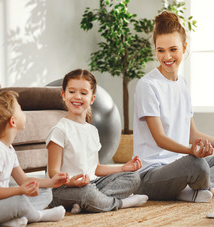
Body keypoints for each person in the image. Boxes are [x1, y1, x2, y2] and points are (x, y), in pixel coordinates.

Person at [133, 11, 214, 203]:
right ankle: (207, 190)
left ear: (184, 48)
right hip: (151, 176)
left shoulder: (183, 84)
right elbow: (160, 139)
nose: (167, 56)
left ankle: (193, 189)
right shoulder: (148, 85)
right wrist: (191, 152)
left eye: (173, 49)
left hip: (180, 166)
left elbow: (192, 135)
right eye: (161, 50)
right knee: (196, 165)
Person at [46, 69, 148, 213]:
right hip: (62, 191)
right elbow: (53, 173)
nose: (77, 97)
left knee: (133, 178)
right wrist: (71, 181)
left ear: (92, 98)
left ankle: (88, 204)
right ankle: (121, 203)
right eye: (72, 91)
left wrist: (123, 168)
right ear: (63, 95)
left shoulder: (92, 130)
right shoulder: (59, 130)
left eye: (83, 93)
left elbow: (96, 168)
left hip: (92, 184)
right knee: (86, 193)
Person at [0, 91, 69, 227]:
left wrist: (51, 182)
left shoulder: (8, 148)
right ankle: (39, 216)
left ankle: (12, 218)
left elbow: (24, 180)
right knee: (19, 201)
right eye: (21, 110)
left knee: (46, 193)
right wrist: (20, 191)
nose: (24, 113)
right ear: (13, 121)